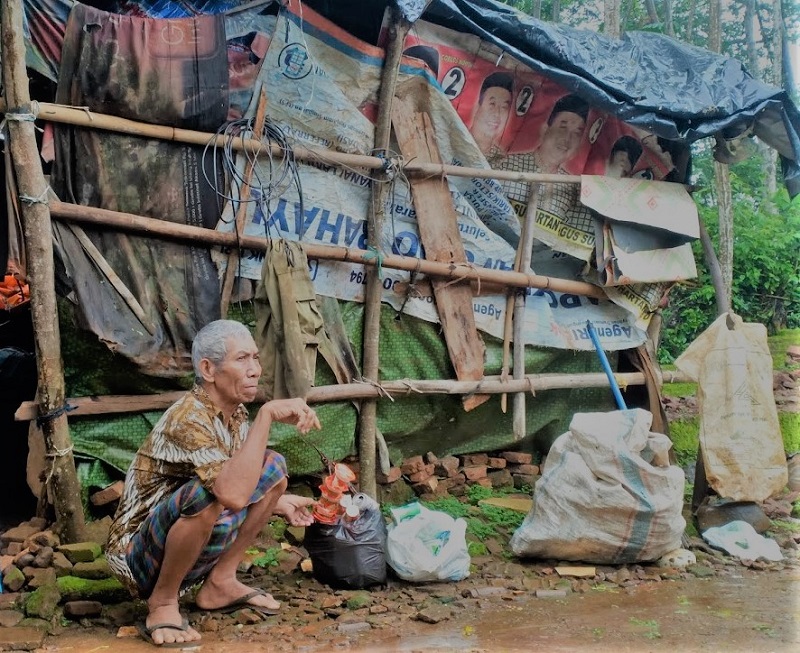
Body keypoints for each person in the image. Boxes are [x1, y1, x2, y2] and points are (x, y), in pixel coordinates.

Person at [106, 319, 321, 648]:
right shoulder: (188, 418)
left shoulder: (234, 414)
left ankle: (220, 581)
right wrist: (267, 415)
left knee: (273, 468)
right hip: (137, 557)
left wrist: (278, 501)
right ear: (208, 369)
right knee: (207, 494)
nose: (254, 369)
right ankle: (162, 603)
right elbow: (230, 493)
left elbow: (240, 479)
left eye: (255, 358)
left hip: (180, 537)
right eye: (241, 359)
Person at [497, 93, 589, 209]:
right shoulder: (507, 165)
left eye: (576, 133)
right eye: (563, 127)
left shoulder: (571, 187)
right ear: (545, 129)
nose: (567, 138)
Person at [469, 71, 514, 161]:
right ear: (477, 106)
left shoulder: (503, 161)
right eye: (492, 104)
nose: (497, 113)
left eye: (504, 107)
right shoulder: (456, 141)